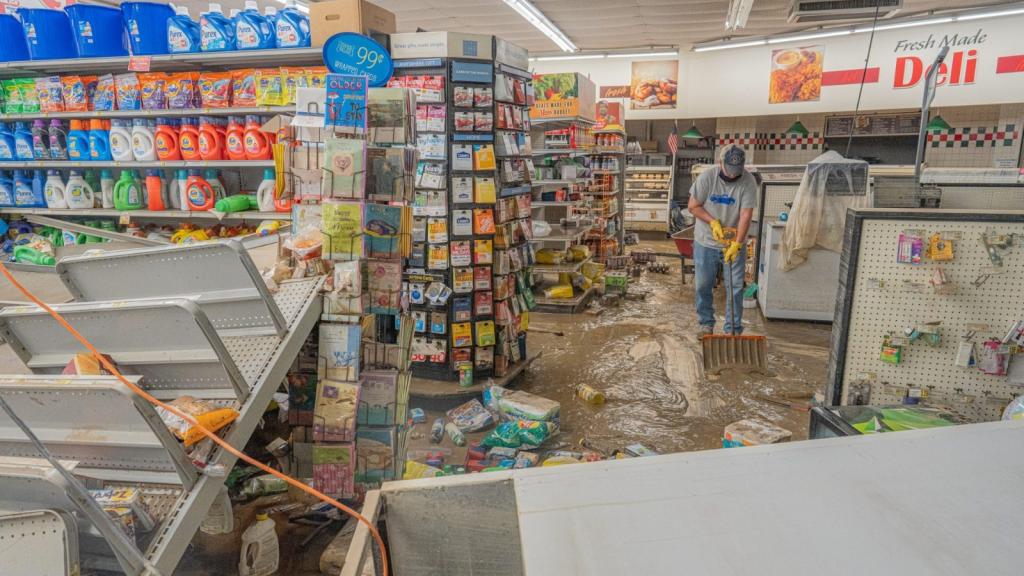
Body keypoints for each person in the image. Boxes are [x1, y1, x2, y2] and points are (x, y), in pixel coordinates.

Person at [687, 144, 757, 339]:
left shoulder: (748, 181)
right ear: (720, 163)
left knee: (735, 287)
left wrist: (737, 243)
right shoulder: (707, 177)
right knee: (703, 285)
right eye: (729, 170)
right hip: (705, 242)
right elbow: (693, 206)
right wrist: (713, 222)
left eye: (737, 171)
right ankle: (706, 323)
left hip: (733, 243)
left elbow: (745, 215)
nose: (733, 176)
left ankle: (732, 329)